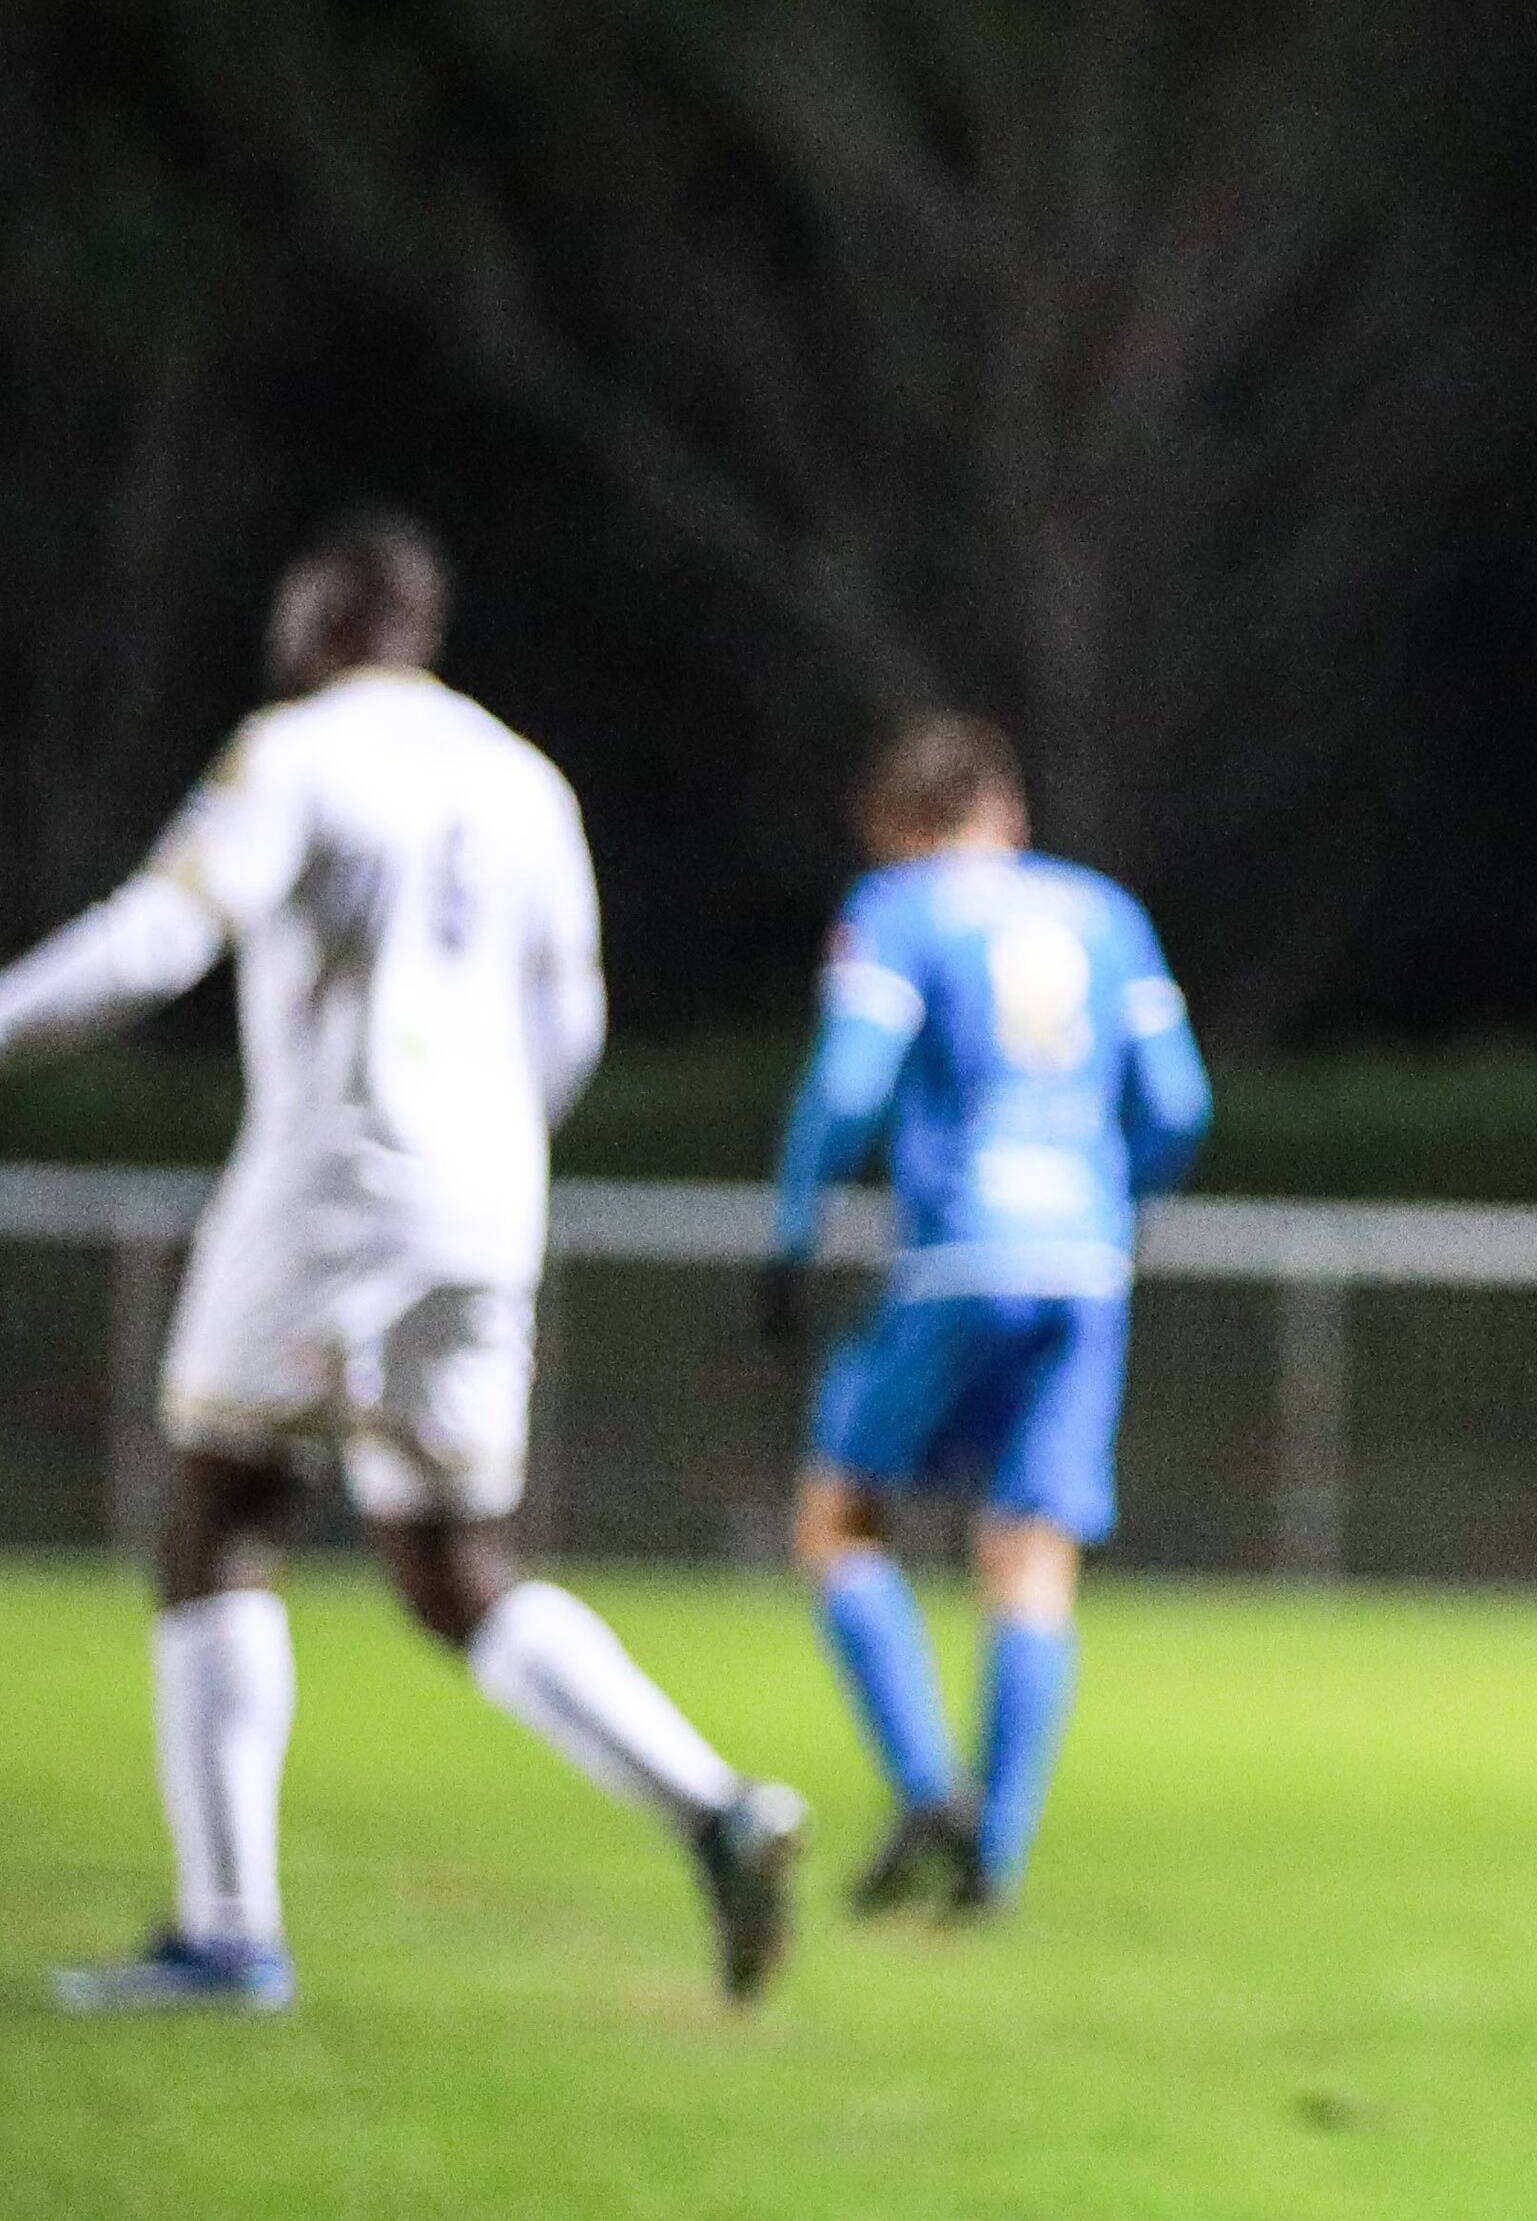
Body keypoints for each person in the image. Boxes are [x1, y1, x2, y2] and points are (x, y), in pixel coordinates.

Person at [3, 514, 804, 2014]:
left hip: (335, 1179)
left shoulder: (299, 750)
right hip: (489, 1198)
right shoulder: (525, 778)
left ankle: (228, 1929)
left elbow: (154, 941)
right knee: (452, 1567)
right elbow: (571, 1021)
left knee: (218, 1509)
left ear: (322, 621)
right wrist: (490, 1145)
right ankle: (713, 1807)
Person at [769, 712, 1209, 1921]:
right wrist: (1118, 1204)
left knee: (838, 1517)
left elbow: (852, 1080)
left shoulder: (900, 909)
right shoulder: (1106, 914)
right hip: (1084, 1258)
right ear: (1006, 813)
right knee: (1032, 1554)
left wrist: (794, 1227)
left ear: (906, 827)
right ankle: (995, 1860)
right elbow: (1178, 1101)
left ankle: (925, 1785)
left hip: (960, 1250)